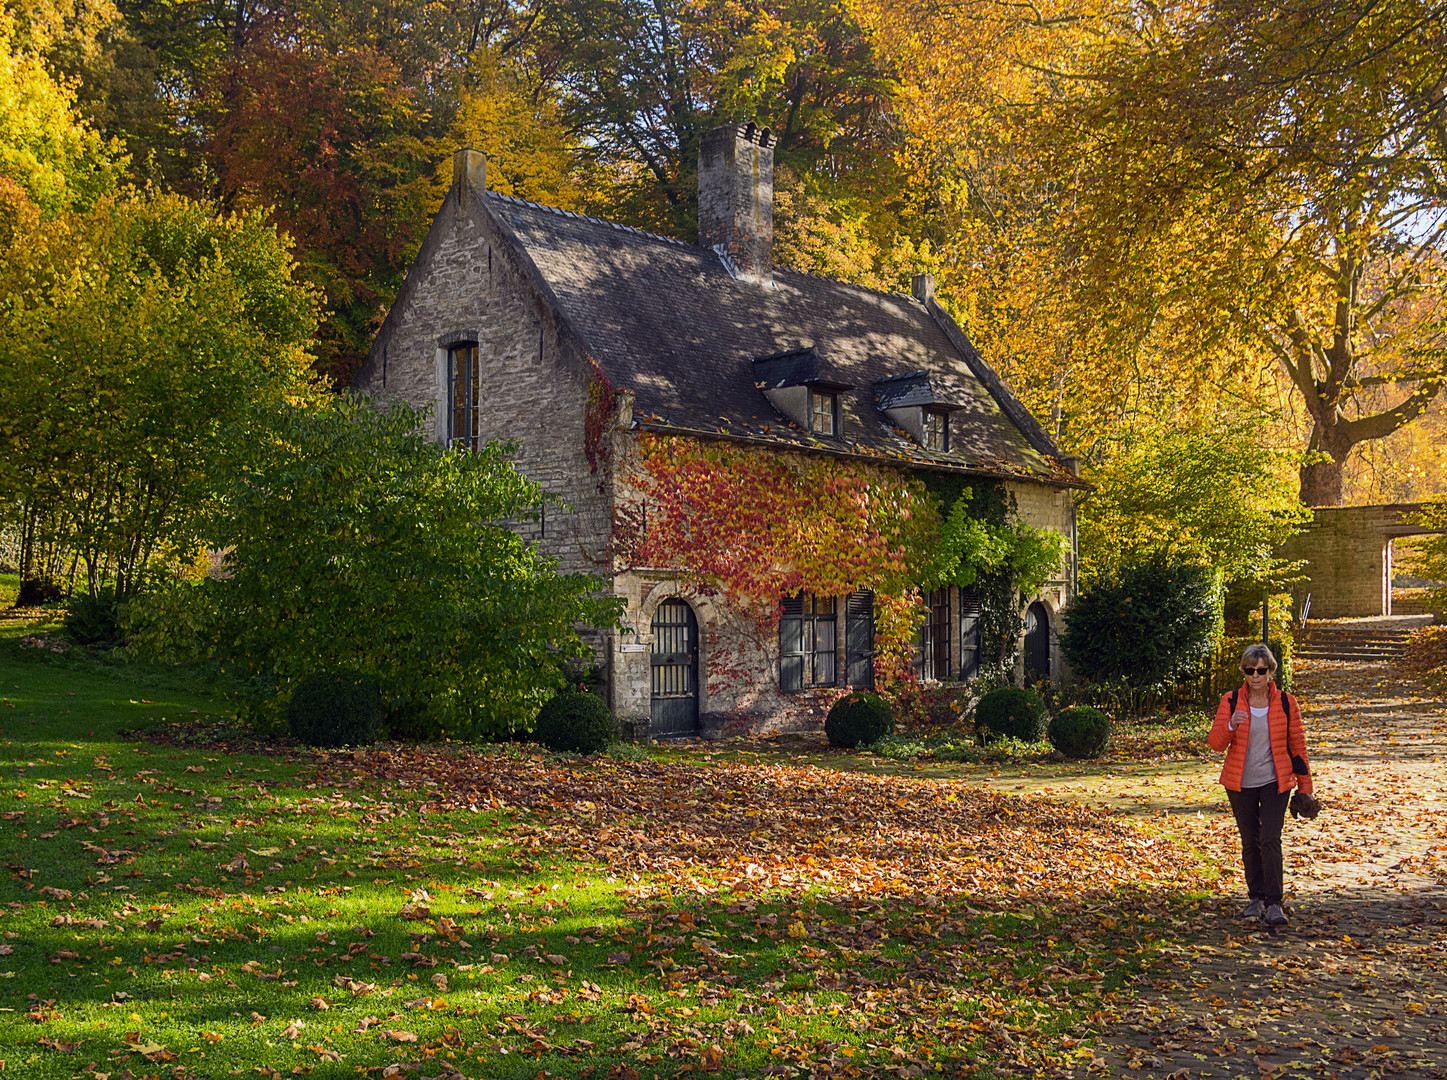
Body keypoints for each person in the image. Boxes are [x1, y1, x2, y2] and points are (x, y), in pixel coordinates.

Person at [1208, 643, 1313, 927]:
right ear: (1244, 672)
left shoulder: (1286, 703)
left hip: (1275, 781)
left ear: (1270, 672)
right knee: (1250, 840)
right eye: (1250, 670)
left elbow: (1298, 747)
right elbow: (1215, 743)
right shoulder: (1231, 700)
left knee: (1270, 838)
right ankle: (1255, 898)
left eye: (1261, 670)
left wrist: (1305, 788)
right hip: (1239, 782)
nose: (1256, 675)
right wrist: (1230, 725)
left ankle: (1274, 903)